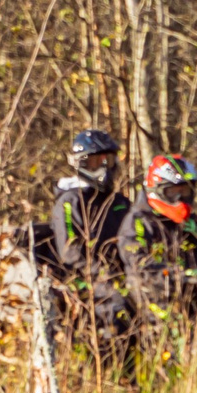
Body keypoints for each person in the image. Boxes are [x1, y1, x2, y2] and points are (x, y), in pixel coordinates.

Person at [119, 153, 197, 342]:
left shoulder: (189, 222)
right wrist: (177, 275)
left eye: (185, 191)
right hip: (154, 305)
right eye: (174, 191)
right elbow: (137, 263)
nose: (180, 198)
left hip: (195, 303)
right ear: (157, 190)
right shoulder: (138, 222)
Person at [51, 128, 134, 354]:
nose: (104, 167)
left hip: (124, 276)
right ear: (82, 163)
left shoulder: (119, 202)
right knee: (118, 306)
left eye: (108, 161)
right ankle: (115, 367)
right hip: (86, 280)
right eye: (96, 162)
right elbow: (70, 252)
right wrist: (104, 275)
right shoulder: (70, 201)